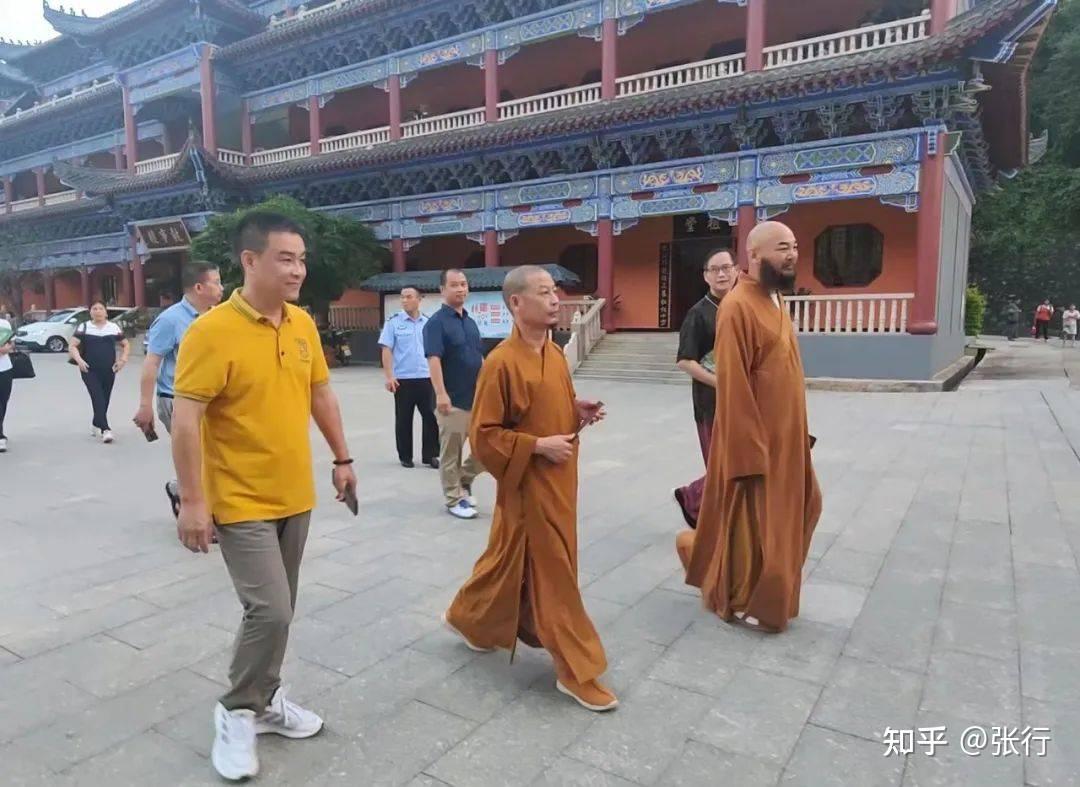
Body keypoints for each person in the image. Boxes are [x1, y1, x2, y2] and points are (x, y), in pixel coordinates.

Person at [170, 212, 357, 781]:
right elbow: (185, 421)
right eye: (285, 258)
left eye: (301, 258)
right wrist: (195, 502)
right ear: (249, 261)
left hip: (293, 493)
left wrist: (343, 458)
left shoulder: (301, 323)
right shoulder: (211, 330)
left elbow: (320, 392)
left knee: (282, 610)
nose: (298, 269)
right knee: (269, 610)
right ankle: (238, 710)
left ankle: (267, 700)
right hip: (239, 498)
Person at [442, 265, 615, 712]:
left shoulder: (555, 354)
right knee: (555, 572)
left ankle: (471, 619)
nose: (556, 298)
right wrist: (537, 446)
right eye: (544, 292)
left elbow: (548, 402)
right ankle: (577, 669)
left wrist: (577, 409)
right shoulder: (500, 362)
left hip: (560, 481)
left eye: (555, 290)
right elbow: (484, 435)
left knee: (507, 560)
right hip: (528, 484)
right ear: (517, 303)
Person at [676, 221, 822, 634]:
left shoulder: (774, 298)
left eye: (795, 246)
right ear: (754, 256)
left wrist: (798, 433)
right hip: (757, 441)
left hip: (788, 435)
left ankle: (705, 560)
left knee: (808, 506)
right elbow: (735, 385)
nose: (792, 254)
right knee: (758, 530)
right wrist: (749, 450)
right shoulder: (737, 307)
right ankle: (750, 597)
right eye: (782, 248)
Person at [133, 261, 224, 516]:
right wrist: (145, 406)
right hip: (177, 399)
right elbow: (152, 362)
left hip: (211, 400)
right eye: (216, 282)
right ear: (198, 287)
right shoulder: (170, 320)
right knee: (196, 459)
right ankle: (197, 511)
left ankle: (178, 489)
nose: (221, 288)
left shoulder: (217, 316)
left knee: (212, 457)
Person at [673, 249, 738, 528]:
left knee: (743, 461)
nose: (721, 274)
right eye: (714, 269)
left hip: (745, 400)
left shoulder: (744, 306)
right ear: (705, 276)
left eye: (726, 267)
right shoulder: (698, 314)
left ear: (737, 270)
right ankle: (693, 498)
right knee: (723, 465)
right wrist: (722, 384)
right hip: (712, 403)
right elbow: (685, 362)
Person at [424, 268, 486, 519]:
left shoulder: (469, 322)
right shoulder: (436, 323)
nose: (460, 289)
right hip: (452, 400)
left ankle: (464, 479)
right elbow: (434, 359)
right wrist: (441, 394)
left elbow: (478, 358)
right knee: (452, 453)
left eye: (463, 284)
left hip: (477, 398)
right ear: (442, 290)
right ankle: (453, 499)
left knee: (487, 448)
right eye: (454, 285)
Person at [379, 286, 439, 469]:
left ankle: (430, 456)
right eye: (402, 297)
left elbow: (435, 351)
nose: (405, 300)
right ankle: (405, 456)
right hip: (403, 379)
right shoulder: (394, 323)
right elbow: (386, 349)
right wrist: (389, 376)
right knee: (404, 418)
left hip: (426, 377)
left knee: (431, 417)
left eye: (409, 297)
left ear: (419, 299)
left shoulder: (428, 323)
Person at [69, 300, 130, 444]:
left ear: (106, 312)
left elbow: (125, 344)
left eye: (100, 308)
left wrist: (123, 360)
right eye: (94, 308)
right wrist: (79, 360)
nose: (97, 311)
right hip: (89, 369)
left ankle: (97, 421)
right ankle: (105, 429)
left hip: (109, 369)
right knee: (97, 397)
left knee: (105, 398)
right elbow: (72, 346)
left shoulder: (113, 327)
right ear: (90, 312)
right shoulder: (84, 327)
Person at [0, 313, 13, 453]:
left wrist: (6, 349)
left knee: (3, 402)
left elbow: (11, 343)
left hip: (4, 369)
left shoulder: (4, 324)